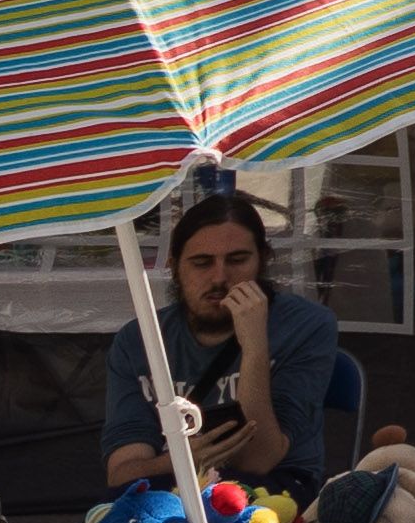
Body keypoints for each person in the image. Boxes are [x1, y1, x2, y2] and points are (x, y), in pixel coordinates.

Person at [104, 193, 343, 501]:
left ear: (263, 260)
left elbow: (259, 460)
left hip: (272, 491)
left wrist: (255, 347)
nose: (220, 278)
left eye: (237, 260)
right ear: (174, 267)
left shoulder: (307, 325)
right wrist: (182, 461)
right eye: (201, 263)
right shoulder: (139, 339)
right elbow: (121, 474)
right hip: (168, 491)